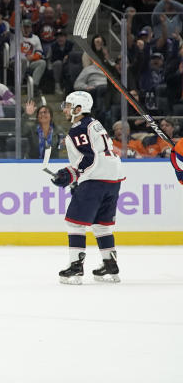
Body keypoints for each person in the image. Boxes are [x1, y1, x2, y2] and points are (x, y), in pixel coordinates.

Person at [52, 91, 124, 285]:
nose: (65, 109)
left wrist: (71, 173)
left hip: (96, 179)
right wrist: (76, 177)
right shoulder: (95, 123)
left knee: (75, 223)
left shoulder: (78, 128)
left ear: (78, 109)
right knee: (102, 225)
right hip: (113, 179)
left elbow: (89, 158)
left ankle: (75, 267)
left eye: (69, 106)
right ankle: (110, 265)